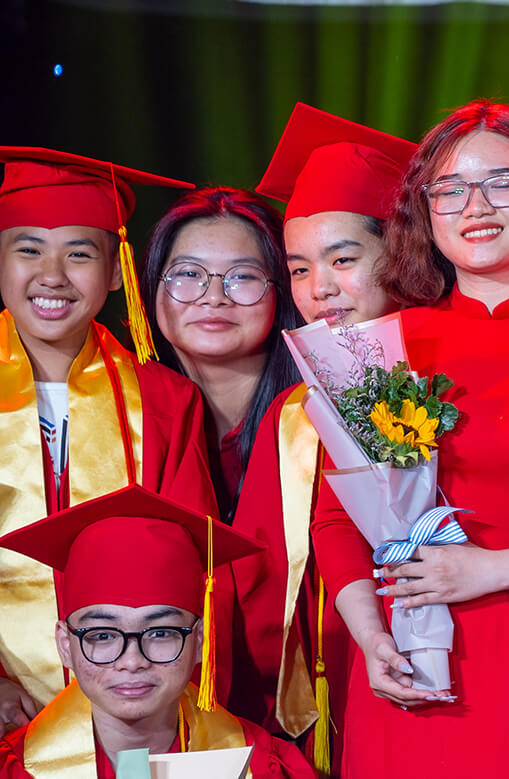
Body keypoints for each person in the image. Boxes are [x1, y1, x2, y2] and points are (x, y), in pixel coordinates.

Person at [311, 100, 509, 778]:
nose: (478, 206)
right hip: (410, 655)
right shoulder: (384, 347)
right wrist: (371, 637)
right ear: (426, 212)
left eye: (503, 182)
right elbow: (335, 519)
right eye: (451, 189)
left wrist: (498, 568)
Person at [206, 103, 415, 758]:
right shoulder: (292, 413)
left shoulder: (451, 381)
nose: (319, 288)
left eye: (343, 258)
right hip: (325, 685)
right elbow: (262, 578)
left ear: (402, 251)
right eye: (299, 269)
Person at [0, 149, 215, 733]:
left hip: (136, 708)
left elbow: (190, 567)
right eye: (28, 250)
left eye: (79, 253)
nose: (52, 275)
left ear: (118, 271)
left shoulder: (165, 400)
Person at [0, 485, 314, 777]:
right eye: (103, 635)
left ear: (200, 639)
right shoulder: (13, 769)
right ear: (65, 645)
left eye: (160, 633)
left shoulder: (263, 767)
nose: (132, 661)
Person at [139, 186, 302, 732]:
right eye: (187, 274)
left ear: (282, 291)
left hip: (311, 712)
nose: (213, 297)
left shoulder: (319, 425)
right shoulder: (124, 424)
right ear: (151, 288)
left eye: (242, 277)